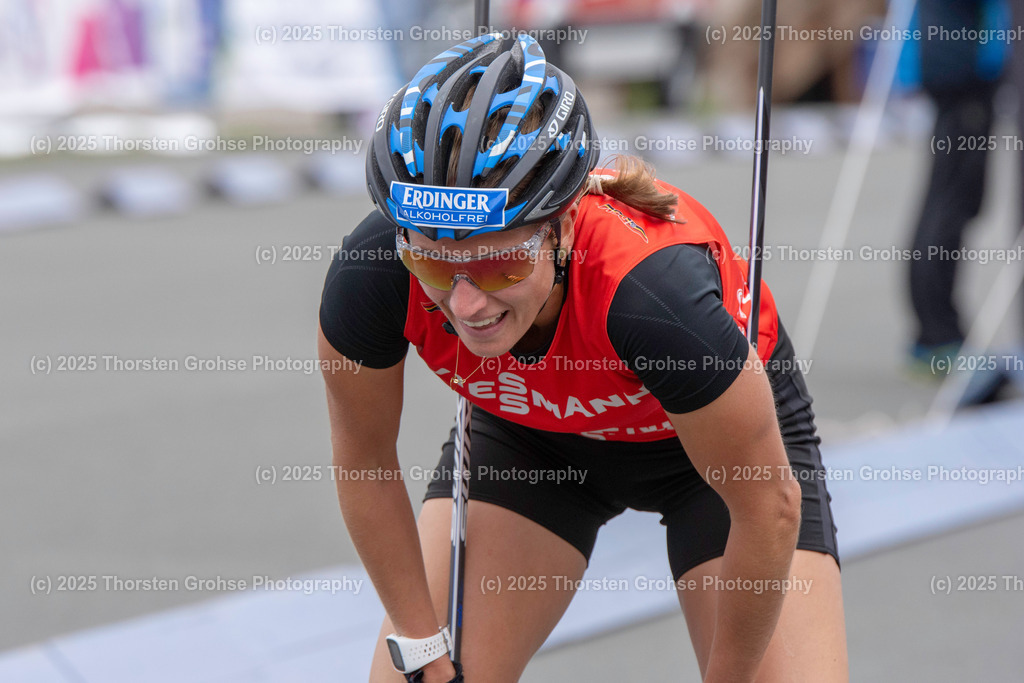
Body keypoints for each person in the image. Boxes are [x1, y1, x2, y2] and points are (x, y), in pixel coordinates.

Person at [319, 33, 847, 682]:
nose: (466, 304)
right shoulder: (373, 274)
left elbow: (769, 505)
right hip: (530, 441)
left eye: (499, 262)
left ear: (564, 225)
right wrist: (422, 642)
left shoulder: (653, 296)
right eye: (433, 259)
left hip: (703, 461)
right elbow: (365, 461)